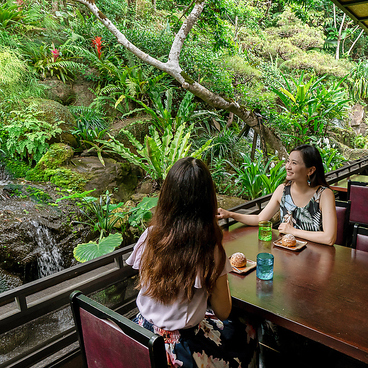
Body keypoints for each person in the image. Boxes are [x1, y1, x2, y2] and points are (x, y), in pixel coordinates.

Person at [126, 157, 258, 368]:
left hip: (141, 334)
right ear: (208, 200)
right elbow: (223, 311)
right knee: (247, 332)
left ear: (167, 196)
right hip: (181, 349)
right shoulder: (207, 248)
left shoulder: (150, 235)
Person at [217, 144, 337, 246]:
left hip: (315, 258)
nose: (287, 166)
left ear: (310, 170)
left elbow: (329, 238)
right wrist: (230, 214)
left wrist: (293, 231)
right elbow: (260, 219)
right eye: (288, 161)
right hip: (287, 256)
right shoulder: (283, 190)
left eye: (294, 163)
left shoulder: (324, 195)